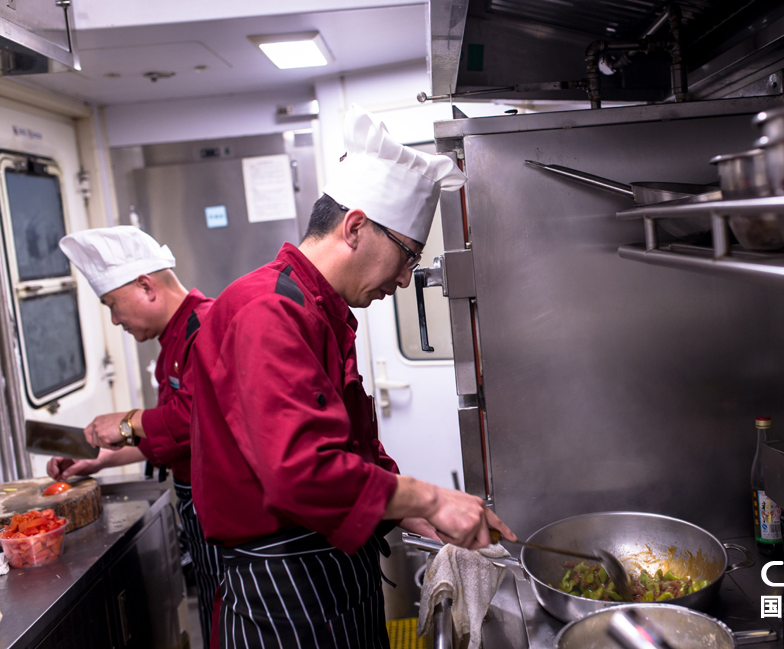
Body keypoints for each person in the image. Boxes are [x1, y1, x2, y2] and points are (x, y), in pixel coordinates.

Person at [190, 104, 515, 648]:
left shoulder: (319, 309)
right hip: (285, 590)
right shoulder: (268, 310)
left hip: (323, 572)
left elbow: (348, 443)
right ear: (356, 227)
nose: (406, 280)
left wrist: (405, 514)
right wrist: (429, 499)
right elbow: (302, 471)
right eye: (408, 256)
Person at [53, 226, 223, 647]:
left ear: (147, 286)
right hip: (199, 507)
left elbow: (200, 420)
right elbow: (171, 434)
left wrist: (128, 421)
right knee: (215, 616)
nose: (115, 320)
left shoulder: (206, 326)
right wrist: (100, 459)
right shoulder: (173, 340)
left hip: (220, 507)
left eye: (113, 305)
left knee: (227, 620)